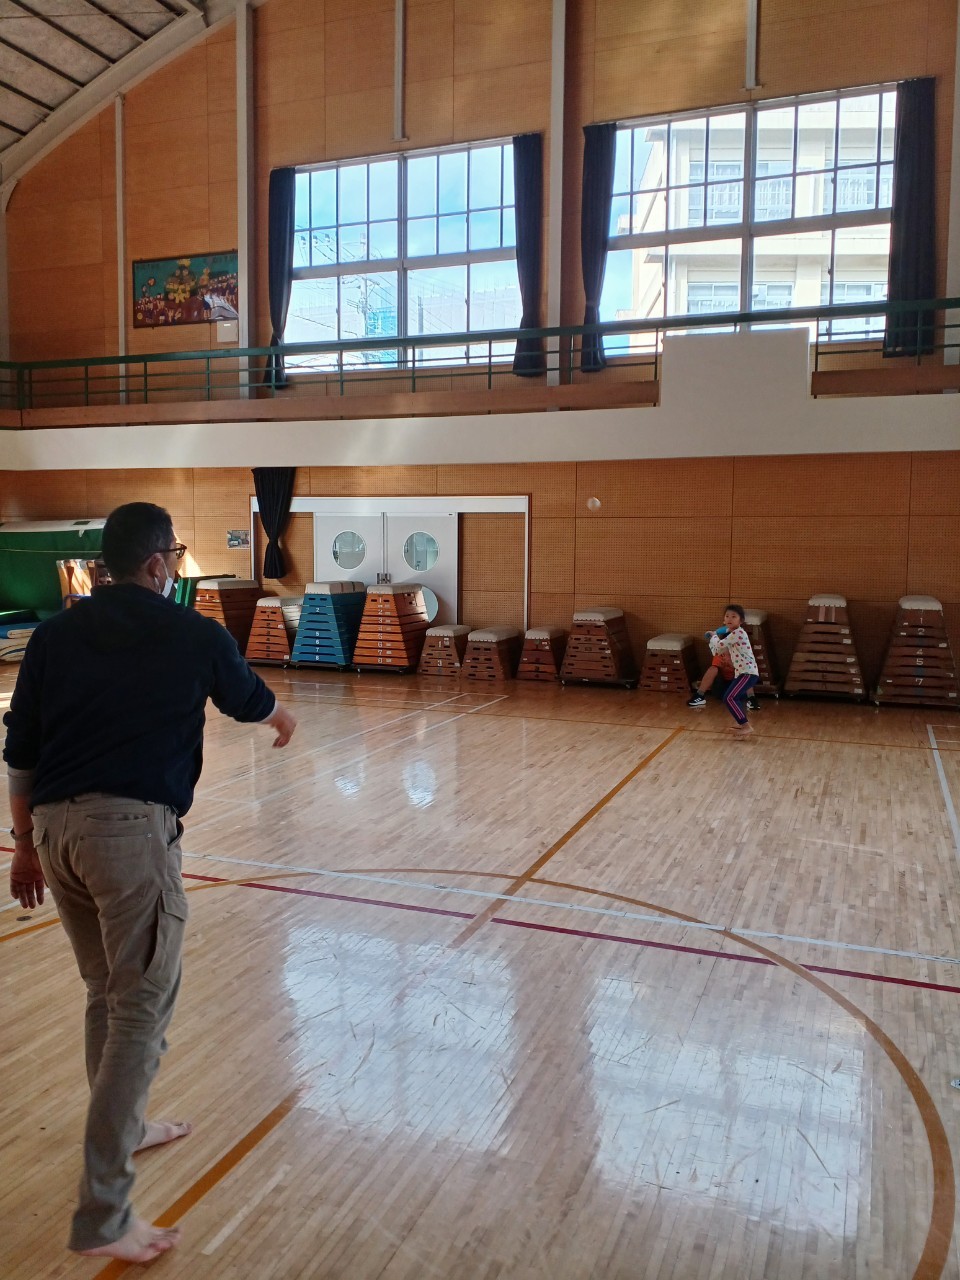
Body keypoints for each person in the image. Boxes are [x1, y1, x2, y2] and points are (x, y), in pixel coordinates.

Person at [5, 502, 297, 1265]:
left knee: (106, 992)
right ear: (160, 562)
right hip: (128, 838)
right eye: (174, 554)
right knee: (139, 1012)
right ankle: (104, 1214)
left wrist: (23, 847)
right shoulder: (192, 632)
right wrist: (282, 717)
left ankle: (127, 1127)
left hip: (56, 836)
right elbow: (245, 697)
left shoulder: (55, 635)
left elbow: (21, 750)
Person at [707, 604, 760, 739]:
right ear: (724, 620)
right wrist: (714, 640)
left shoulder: (739, 633)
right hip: (741, 673)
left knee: (729, 697)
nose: (729, 619)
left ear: (741, 621)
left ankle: (746, 726)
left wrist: (713, 636)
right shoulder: (732, 635)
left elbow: (719, 645)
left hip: (748, 673)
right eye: (727, 616)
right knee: (733, 697)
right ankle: (742, 723)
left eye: (734, 616)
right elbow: (717, 650)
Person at [688, 624, 759, 711]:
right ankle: (699, 695)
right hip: (722, 686)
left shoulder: (742, 654)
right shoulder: (720, 652)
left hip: (739, 686)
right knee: (713, 668)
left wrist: (731, 663)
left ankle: (751, 699)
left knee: (746, 673)